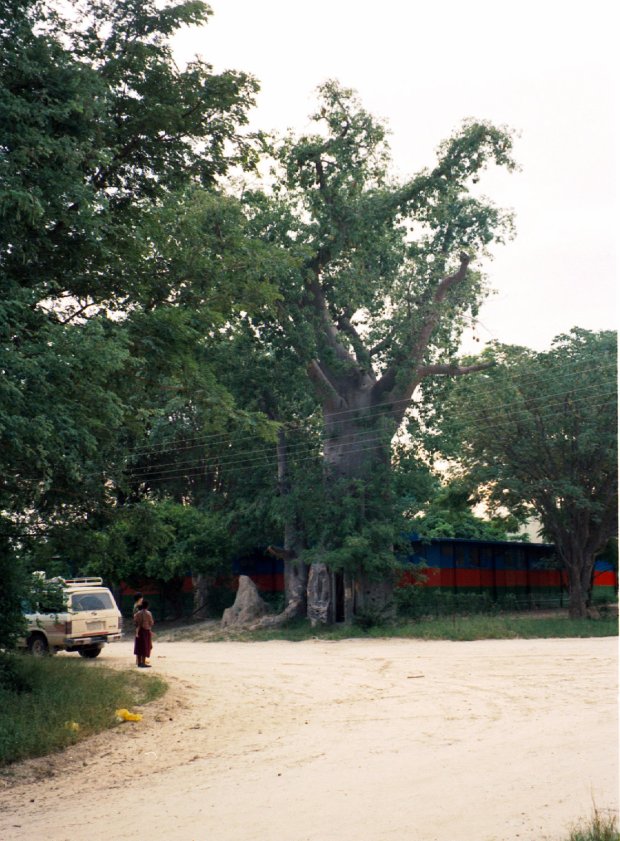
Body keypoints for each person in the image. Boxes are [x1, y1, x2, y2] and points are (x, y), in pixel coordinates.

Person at [134, 599, 155, 668]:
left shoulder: (137, 614)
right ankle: (143, 663)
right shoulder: (148, 613)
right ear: (147, 606)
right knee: (145, 647)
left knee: (139, 647)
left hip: (139, 631)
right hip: (146, 631)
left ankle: (139, 663)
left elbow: (136, 623)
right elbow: (151, 623)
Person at [132, 593, 143, 666]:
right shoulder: (137, 607)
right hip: (139, 627)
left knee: (139, 644)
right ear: (139, 598)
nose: (142, 599)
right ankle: (139, 660)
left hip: (138, 626)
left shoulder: (135, 606)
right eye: (142, 598)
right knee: (141, 644)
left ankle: (139, 660)